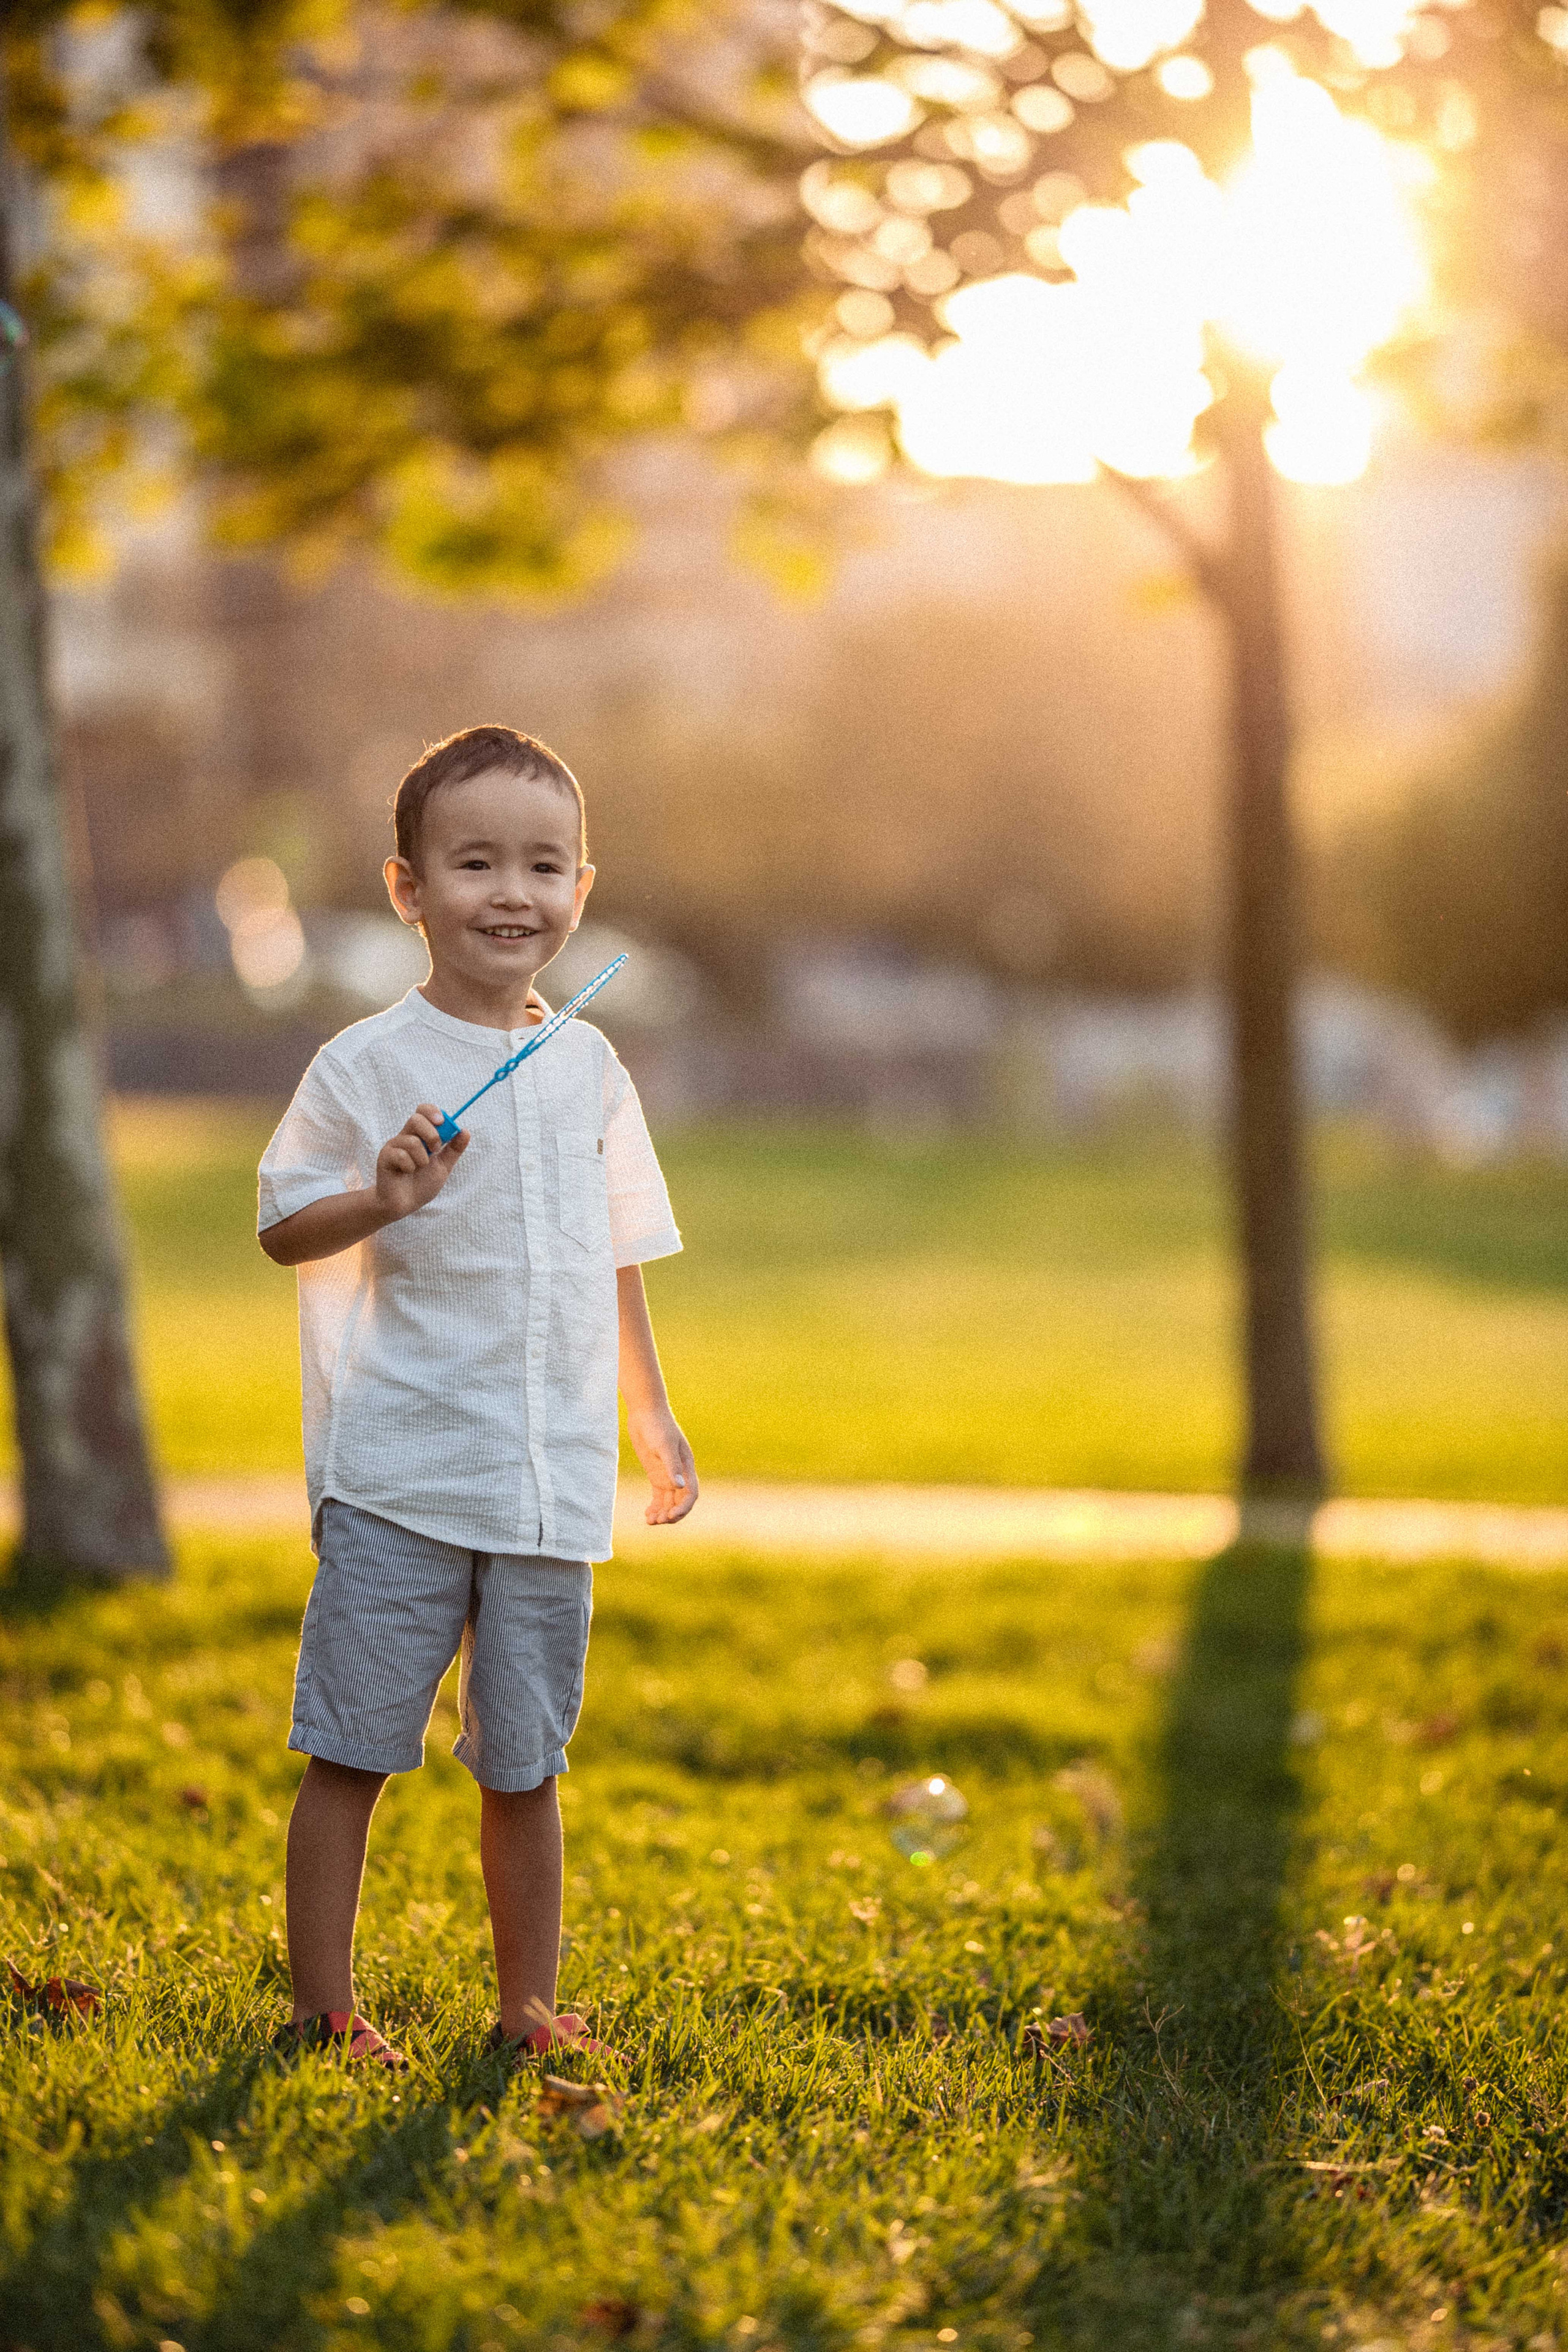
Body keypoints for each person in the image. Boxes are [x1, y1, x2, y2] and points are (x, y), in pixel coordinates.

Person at [257, 724, 697, 2070]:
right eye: (475, 863)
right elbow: (284, 1230)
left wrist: (652, 1415)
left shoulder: (587, 1070)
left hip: (546, 1483)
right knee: (352, 1750)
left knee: (525, 1762)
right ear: (408, 890)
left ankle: (523, 2006)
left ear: (580, 888)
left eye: (544, 866)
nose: (513, 892)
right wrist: (375, 1198)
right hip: (400, 1470)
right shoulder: (365, 1064)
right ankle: (324, 2012)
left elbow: (608, 1257)